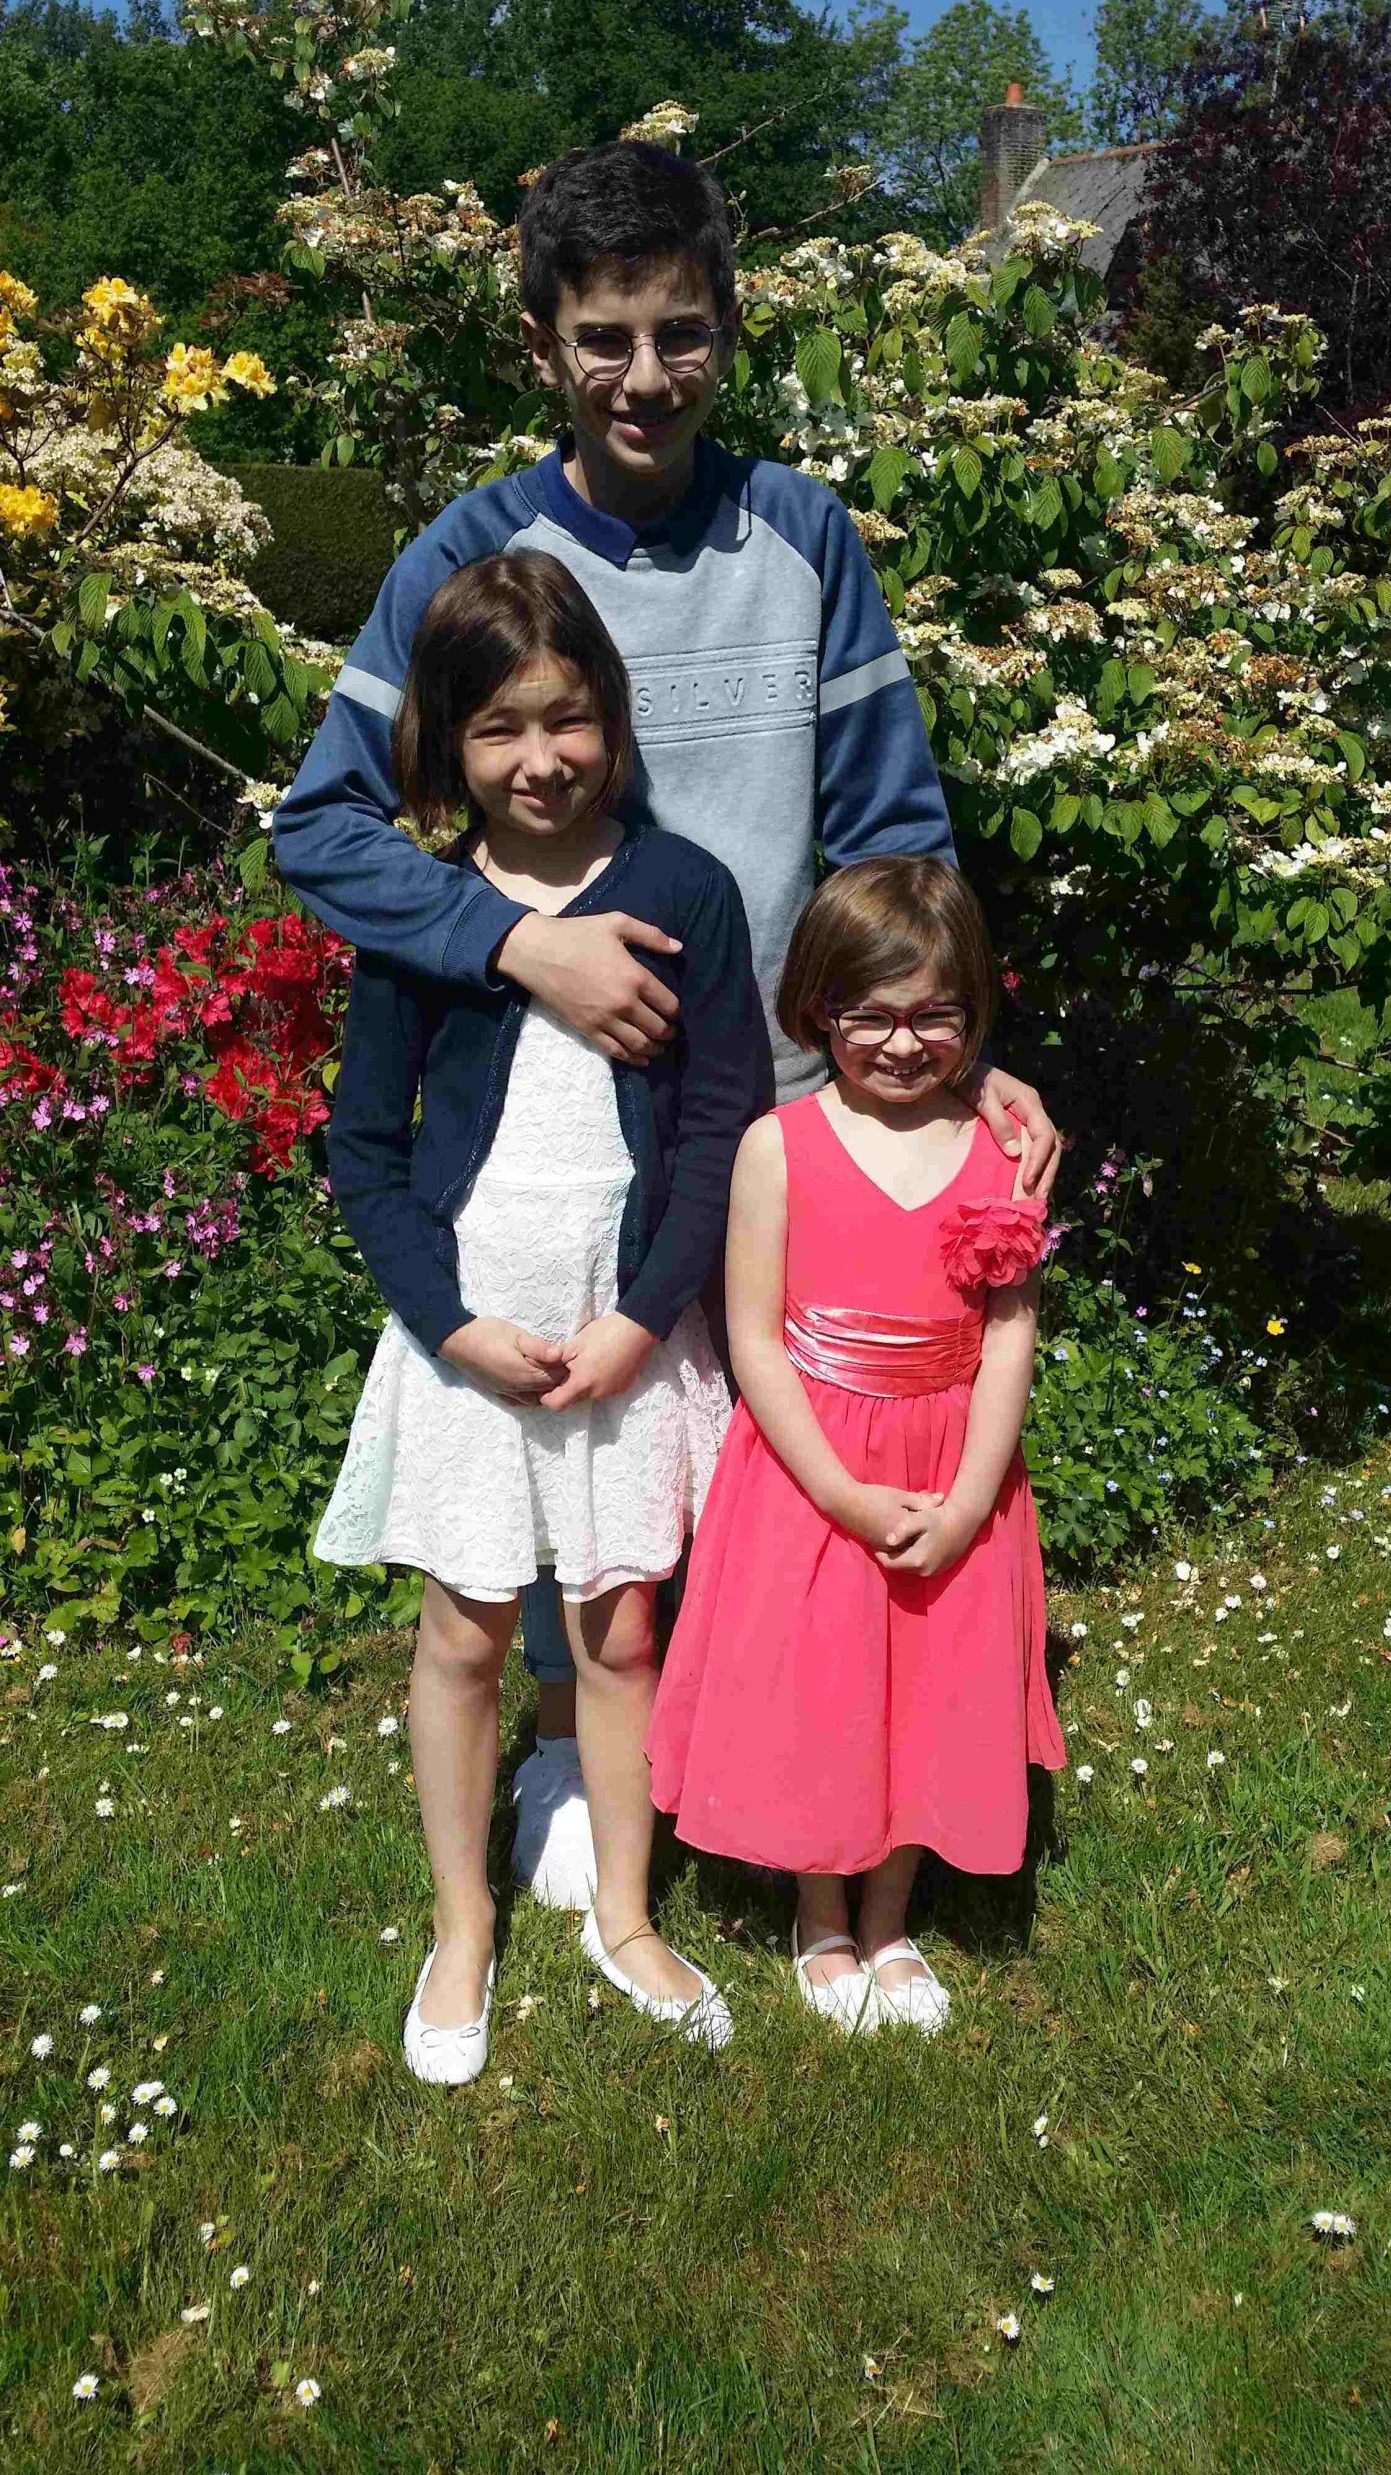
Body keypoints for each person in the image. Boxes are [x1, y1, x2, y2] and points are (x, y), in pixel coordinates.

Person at [274, 136, 1059, 1905]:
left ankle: (777, 1764)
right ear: (539, 343)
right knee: (579, 1445)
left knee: (752, 1469)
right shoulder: (471, 553)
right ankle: (573, 1756)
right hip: (564, 1127)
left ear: (727, 328)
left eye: (680, 331)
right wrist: (511, 944)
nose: (645, 375)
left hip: (782, 1115)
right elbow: (321, 827)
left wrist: (956, 1044)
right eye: (604, 337)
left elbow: (889, 830)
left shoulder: (802, 538)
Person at [313, 549, 770, 2079]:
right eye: (498, 727)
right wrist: (448, 1325)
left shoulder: (685, 894)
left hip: (625, 1328)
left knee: (621, 1629)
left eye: (566, 717)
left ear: (612, 717)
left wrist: (645, 1319)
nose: (539, 757)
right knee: (463, 1635)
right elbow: (365, 1153)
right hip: (473, 1337)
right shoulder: (427, 914)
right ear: (448, 744)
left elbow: (716, 1132)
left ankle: (623, 1915)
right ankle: (462, 1927)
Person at [647, 857, 1067, 2036]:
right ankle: (820, 1915)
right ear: (815, 1009)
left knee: (928, 1690)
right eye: (869, 1014)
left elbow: (1007, 1334)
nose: (900, 1042)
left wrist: (970, 1498)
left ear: (972, 1013)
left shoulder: (1001, 1151)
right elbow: (753, 1336)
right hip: (809, 1473)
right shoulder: (777, 1146)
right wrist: (836, 1490)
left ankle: (889, 1919)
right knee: (821, 1690)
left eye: (934, 1014)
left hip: (949, 1466)